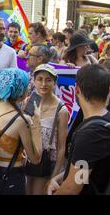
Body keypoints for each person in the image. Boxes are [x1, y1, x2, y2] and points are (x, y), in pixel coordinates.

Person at [47, 64, 110, 195]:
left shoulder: (91, 134)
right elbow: (86, 165)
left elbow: (72, 188)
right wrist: (58, 178)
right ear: (109, 89)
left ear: (77, 90)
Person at [0, 68, 42, 195]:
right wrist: (37, 123)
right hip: (12, 177)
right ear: (20, 91)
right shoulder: (20, 120)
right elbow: (35, 158)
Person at [26, 64, 68, 195]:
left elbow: (61, 147)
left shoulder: (61, 110)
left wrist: (54, 177)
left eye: (48, 80)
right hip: (27, 159)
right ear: (34, 81)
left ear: (54, 82)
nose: (43, 83)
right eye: (39, 79)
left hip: (46, 161)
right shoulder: (30, 101)